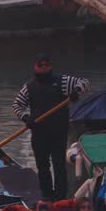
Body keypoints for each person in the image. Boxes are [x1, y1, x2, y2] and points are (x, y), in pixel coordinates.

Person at [12, 53, 89, 201]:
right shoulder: (29, 87)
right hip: (39, 134)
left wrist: (76, 91)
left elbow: (84, 82)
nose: (43, 67)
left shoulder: (63, 82)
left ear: (50, 66)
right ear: (35, 67)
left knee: (59, 166)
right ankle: (47, 197)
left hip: (58, 133)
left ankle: (60, 198)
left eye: (46, 65)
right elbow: (17, 105)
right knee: (42, 167)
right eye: (40, 65)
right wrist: (26, 117)